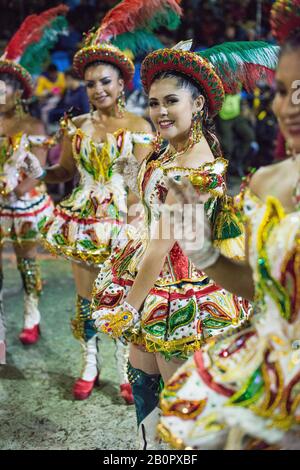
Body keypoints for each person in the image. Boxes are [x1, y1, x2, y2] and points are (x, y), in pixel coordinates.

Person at [89, 36, 277, 448]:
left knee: (181, 419)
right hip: (153, 280)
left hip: (183, 295)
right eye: (154, 103)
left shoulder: (193, 162)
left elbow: (160, 245)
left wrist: (128, 308)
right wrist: (130, 174)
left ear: (198, 105)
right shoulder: (169, 146)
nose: (159, 112)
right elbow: (151, 204)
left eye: (171, 102)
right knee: (143, 383)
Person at [157, 0, 300, 450]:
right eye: (281, 90)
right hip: (271, 372)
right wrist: (203, 252)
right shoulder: (266, 182)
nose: (289, 106)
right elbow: (261, 286)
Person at [21, 0, 163, 403]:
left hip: (122, 223)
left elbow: (138, 181)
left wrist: (139, 206)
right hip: (82, 220)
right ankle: (89, 362)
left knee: (118, 297)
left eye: (106, 82)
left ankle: (123, 367)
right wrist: (39, 172)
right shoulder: (75, 125)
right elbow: (64, 172)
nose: (98, 89)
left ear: (122, 84)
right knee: (85, 300)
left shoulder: (138, 126)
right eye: (90, 83)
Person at [0, 7, 68, 361]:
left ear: (18, 93)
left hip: (22, 206)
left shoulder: (32, 127)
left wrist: (15, 189)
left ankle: (31, 315)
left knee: (27, 262)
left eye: (4, 88)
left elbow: (38, 167)